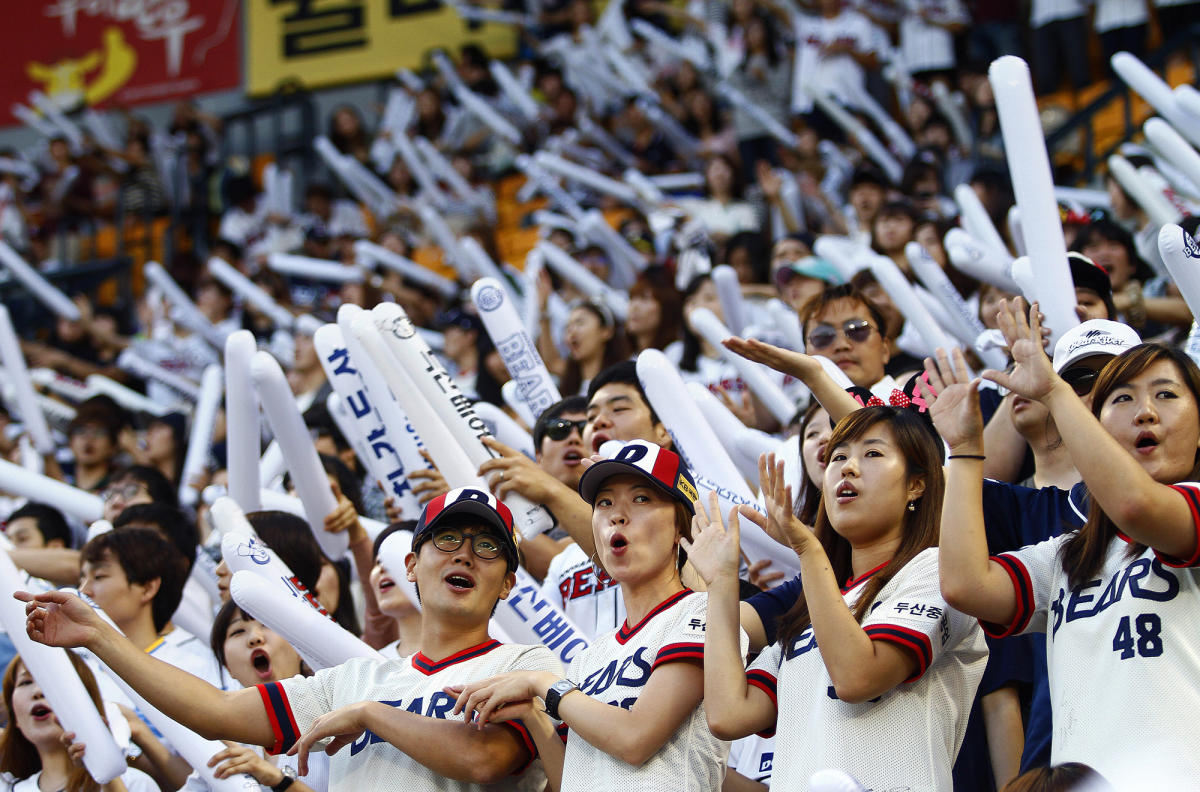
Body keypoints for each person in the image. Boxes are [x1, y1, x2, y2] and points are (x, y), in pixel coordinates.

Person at [20, 488, 562, 792]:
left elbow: (486, 760)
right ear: (412, 565)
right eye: (448, 539)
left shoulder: (528, 663)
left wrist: (371, 717)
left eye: (488, 548)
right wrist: (99, 637)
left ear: (509, 582)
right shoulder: (357, 679)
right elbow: (216, 711)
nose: (465, 554)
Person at [931, 300, 1200, 788]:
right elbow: (966, 585)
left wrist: (1055, 392)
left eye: (1166, 395)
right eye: (1121, 399)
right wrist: (966, 449)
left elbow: (1138, 507)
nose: (1145, 412)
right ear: (1095, 427)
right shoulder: (1068, 554)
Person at [688, 407, 985, 789]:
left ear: (917, 484)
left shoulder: (938, 571)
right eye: (838, 456)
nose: (848, 468)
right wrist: (722, 584)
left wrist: (809, 550)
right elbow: (730, 713)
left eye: (872, 454)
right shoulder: (815, 604)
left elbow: (858, 677)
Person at [451, 441, 736, 791]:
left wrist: (541, 684)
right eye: (605, 502)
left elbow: (636, 739)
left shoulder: (707, 611)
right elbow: (570, 782)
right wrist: (533, 716)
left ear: (680, 526)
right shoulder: (590, 657)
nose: (617, 515)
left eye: (642, 499)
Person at [205, 600, 328, 792]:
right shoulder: (227, 746)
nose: (255, 638)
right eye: (237, 631)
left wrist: (280, 781)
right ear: (227, 666)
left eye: (268, 624)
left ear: (300, 646)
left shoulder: (335, 720)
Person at [0, 652, 157, 792]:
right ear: (15, 719)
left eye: (52, 679)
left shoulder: (133, 783)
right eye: (25, 682)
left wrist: (106, 772)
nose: (37, 692)